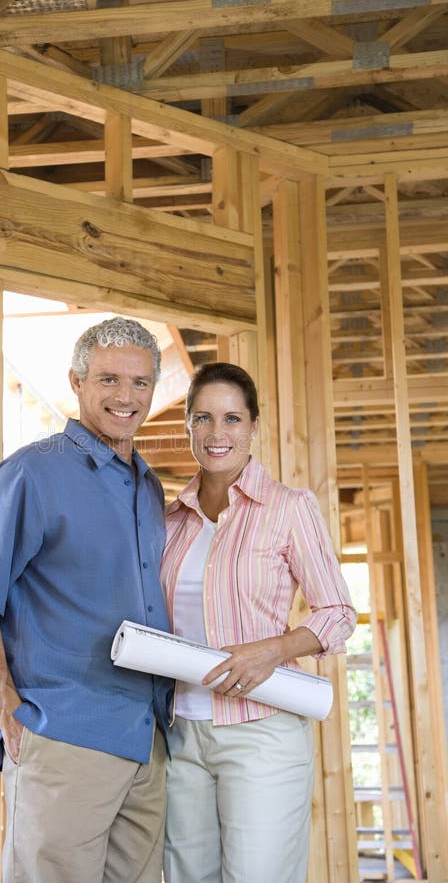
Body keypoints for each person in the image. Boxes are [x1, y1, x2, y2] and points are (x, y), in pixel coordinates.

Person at [0, 316, 173, 883]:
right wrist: (6, 709)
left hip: (147, 743)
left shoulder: (149, 486)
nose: (126, 396)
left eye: (140, 383)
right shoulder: (32, 473)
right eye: (109, 379)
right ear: (77, 381)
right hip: (65, 736)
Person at [160, 362, 357, 883]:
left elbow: (337, 612)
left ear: (253, 427)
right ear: (187, 425)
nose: (217, 433)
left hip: (261, 731)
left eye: (231, 418)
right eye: (202, 418)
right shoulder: (169, 520)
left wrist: (271, 650)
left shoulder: (289, 508)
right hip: (180, 735)